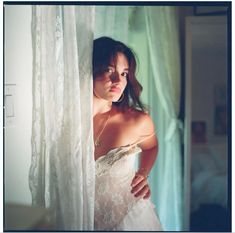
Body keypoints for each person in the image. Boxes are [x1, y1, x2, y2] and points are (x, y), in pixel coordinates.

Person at [93, 37, 162, 231]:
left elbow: (152, 146)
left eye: (124, 73)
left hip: (129, 221)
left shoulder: (137, 121)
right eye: (109, 70)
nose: (118, 80)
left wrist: (143, 173)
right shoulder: (69, 121)